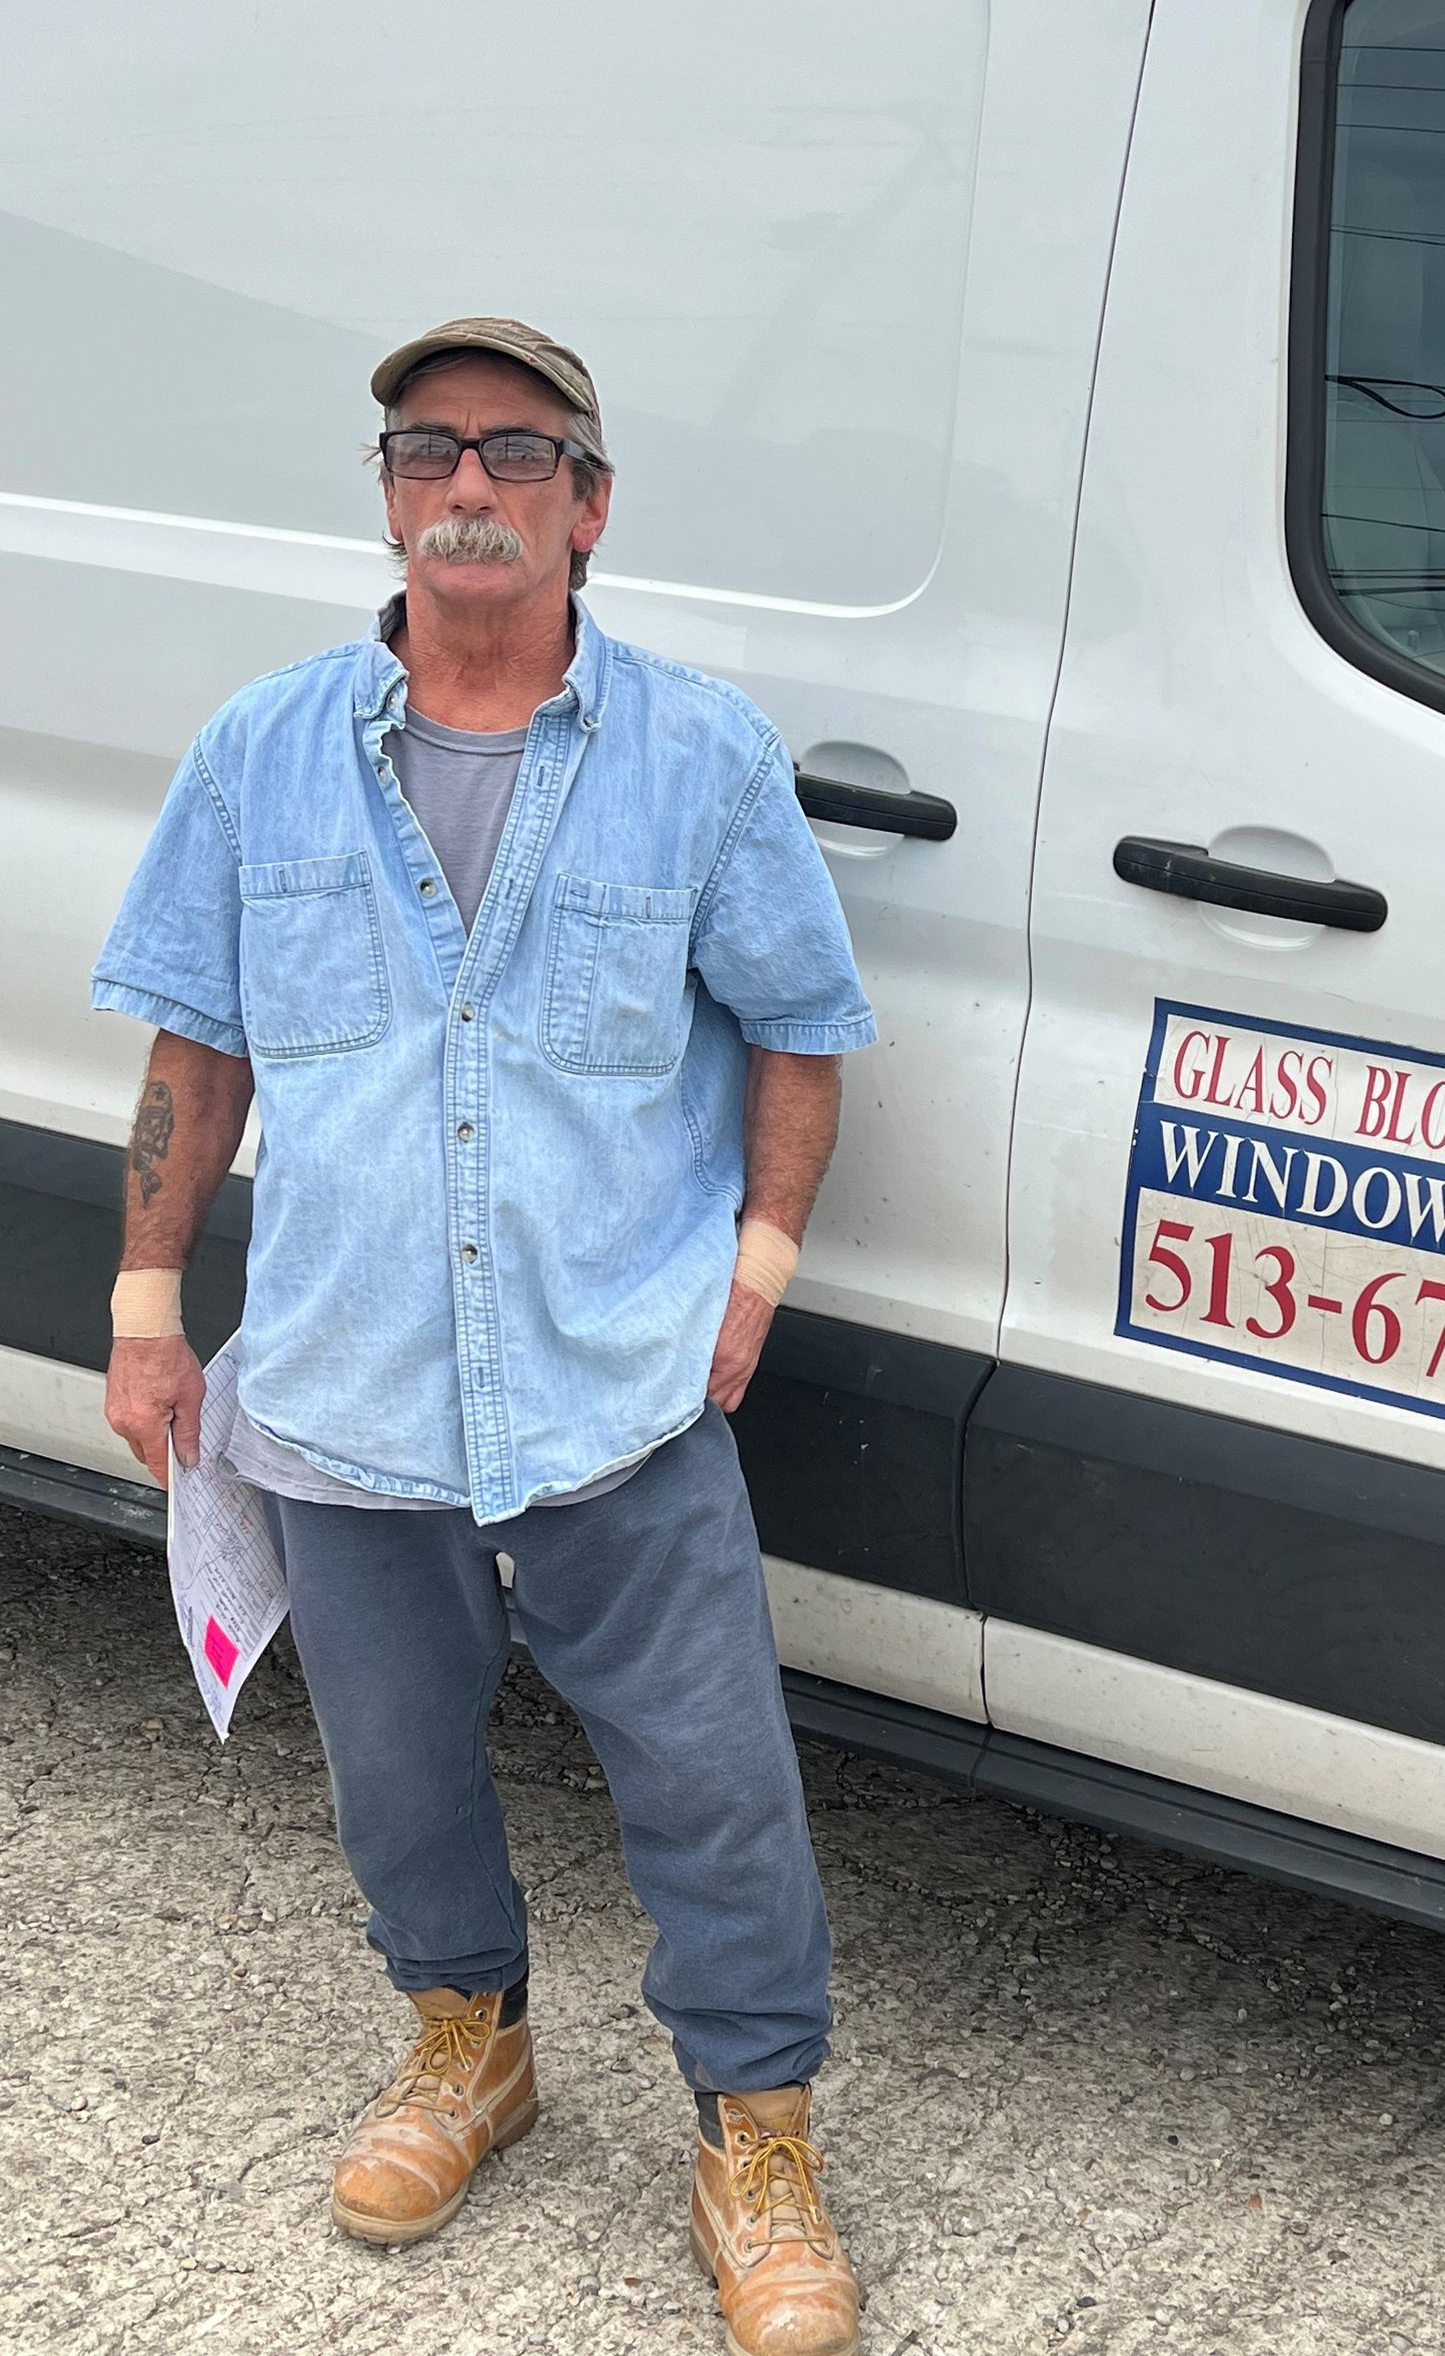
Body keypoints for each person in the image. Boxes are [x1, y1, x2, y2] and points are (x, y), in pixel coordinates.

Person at [91, 318, 874, 2356]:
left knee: (711, 1774)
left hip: (614, 1370)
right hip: (345, 1373)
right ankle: (470, 2044)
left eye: (517, 454)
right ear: (387, 493)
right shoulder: (262, 748)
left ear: (588, 507)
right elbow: (199, 1036)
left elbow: (802, 1026)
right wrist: (149, 1306)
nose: (467, 487)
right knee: (400, 1764)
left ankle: (758, 2130)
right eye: (427, 449)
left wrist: (757, 1275)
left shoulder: (698, 753)